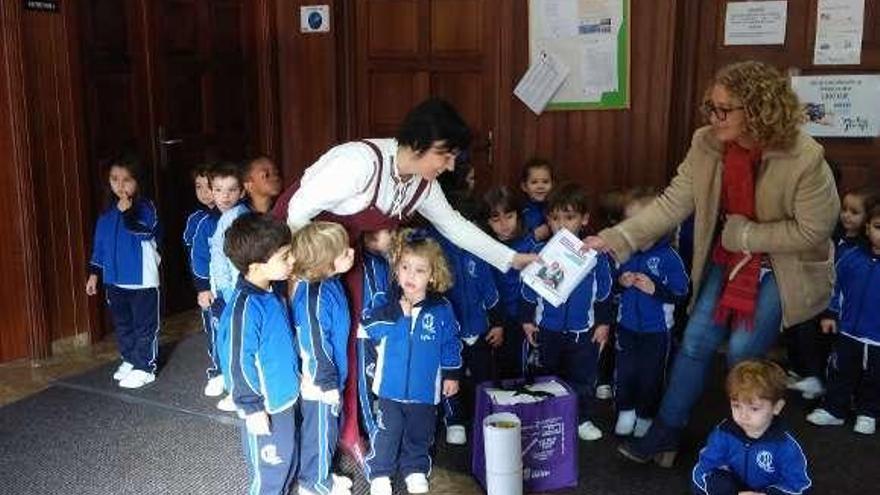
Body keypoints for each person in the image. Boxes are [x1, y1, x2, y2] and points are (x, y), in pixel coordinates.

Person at [584, 60, 840, 465]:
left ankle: (750, 443)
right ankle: (666, 431)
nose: (714, 117)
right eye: (711, 107)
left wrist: (746, 235)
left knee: (742, 348)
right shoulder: (707, 143)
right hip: (733, 255)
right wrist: (615, 238)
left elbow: (815, 229)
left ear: (757, 110)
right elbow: (672, 203)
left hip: (785, 265)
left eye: (725, 109)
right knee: (697, 339)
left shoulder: (804, 156)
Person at [273, 98, 535, 457]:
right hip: (301, 251)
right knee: (317, 344)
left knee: (357, 337)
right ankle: (314, 433)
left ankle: (354, 425)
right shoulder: (358, 163)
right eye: (445, 155)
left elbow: (454, 227)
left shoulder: (422, 183)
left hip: (346, 257)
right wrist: (295, 274)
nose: (450, 164)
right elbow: (298, 212)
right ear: (418, 145)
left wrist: (514, 258)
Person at [362, 229, 461, 495]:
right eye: (404, 267)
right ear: (396, 270)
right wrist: (395, 312)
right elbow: (368, 327)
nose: (410, 275)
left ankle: (415, 469)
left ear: (433, 275)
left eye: (419, 270)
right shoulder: (386, 303)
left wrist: (452, 374)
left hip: (424, 390)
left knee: (420, 434)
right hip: (389, 389)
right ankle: (380, 473)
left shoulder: (441, 309)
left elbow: (450, 342)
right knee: (387, 433)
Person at [522, 183, 614, 441]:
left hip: (582, 332)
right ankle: (545, 417)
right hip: (547, 330)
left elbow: (604, 293)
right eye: (555, 218)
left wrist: (603, 323)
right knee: (545, 375)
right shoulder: (540, 253)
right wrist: (527, 321)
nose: (561, 224)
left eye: (569, 217)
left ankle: (581, 418)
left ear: (584, 219)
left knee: (582, 378)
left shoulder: (595, 257)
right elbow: (529, 291)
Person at [220, 213, 299, 495]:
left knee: (288, 465)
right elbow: (236, 363)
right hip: (263, 405)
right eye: (284, 256)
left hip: (285, 398)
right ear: (256, 266)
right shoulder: (244, 310)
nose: (292, 261)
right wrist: (251, 407)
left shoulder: (272, 293)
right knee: (269, 477)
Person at [786, 186, 878, 400]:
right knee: (799, 325)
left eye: (854, 212)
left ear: (867, 220)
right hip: (819, 295)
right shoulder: (834, 234)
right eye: (844, 209)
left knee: (826, 338)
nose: (846, 215)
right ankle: (808, 373)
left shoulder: (861, 249)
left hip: (844, 306)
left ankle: (822, 380)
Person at [613, 190, 689, 438]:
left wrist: (655, 289)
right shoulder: (625, 252)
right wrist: (621, 282)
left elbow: (682, 293)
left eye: (641, 224)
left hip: (656, 331)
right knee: (625, 371)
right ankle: (626, 410)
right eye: (630, 223)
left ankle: (645, 415)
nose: (635, 230)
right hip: (626, 327)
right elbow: (610, 287)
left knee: (651, 375)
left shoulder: (669, 257)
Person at [429, 192, 503, 446]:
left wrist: (497, 324)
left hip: (480, 329)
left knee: (484, 375)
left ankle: (485, 416)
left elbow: (491, 291)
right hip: (450, 333)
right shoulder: (435, 247)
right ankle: (455, 420)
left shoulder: (480, 250)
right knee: (452, 378)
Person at [289, 222, 356, 495]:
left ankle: (322, 473)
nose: (351, 252)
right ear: (324, 262)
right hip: (319, 381)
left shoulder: (329, 283)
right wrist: (327, 383)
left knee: (328, 430)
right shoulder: (314, 298)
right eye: (343, 252)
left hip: (330, 375)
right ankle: (313, 483)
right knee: (319, 432)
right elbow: (314, 343)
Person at [211, 157, 282, 410]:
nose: (274, 176)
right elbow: (220, 256)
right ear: (248, 185)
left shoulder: (280, 211)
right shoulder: (236, 217)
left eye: (275, 171)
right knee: (242, 341)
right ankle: (239, 391)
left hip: (270, 291)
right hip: (238, 290)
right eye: (266, 174)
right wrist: (224, 292)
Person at [85, 153, 161, 389]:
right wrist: (94, 274)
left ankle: (145, 366)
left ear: (138, 181)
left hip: (142, 280)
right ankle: (130, 359)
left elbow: (146, 232)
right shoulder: (106, 214)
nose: (120, 185)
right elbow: (100, 246)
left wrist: (128, 212)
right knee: (123, 323)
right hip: (113, 280)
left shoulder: (146, 207)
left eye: (126, 179)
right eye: (114, 179)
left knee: (144, 325)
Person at [806, 202, 880, 435]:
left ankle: (868, 413)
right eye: (879, 226)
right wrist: (830, 314)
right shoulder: (850, 257)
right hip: (848, 331)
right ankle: (834, 410)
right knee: (840, 370)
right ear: (867, 228)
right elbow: (835, 288)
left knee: (875, 377)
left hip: (877, 339)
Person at [692, 360, 811, 495]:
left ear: (777, 407)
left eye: (754, 408)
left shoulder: (786, 446)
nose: (743, 415)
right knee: (717, 481)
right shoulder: (723, 433)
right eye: (736, 406)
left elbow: (800, 487)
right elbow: (702, 471)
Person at [191, 162, 241, 398]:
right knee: (216, 331)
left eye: (232, 190)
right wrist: (202, 288)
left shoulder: (243, 217)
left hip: (237, 287)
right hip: (214, 289)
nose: (225, 196)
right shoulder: (206, 223)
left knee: (237, 332)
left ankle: (236, 378)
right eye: (219, 190)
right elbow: (199, 258)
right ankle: (218, 372)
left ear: (242, 191)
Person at [483, 186, 541, 378]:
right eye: (496, 219)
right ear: (487, 221)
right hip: (494, 318)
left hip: (523, 317)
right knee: (496, 368)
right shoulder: (484, 248)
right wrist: (496, 322)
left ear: (518, 215)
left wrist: (528, 317)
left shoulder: (529, 245)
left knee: (521, 368)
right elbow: (486, 288)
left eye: (509, 216)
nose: (504, 224)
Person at [357, 228, 395, 440]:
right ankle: (373, 432)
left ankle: (381, 428)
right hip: (367, 336)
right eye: (390, 231)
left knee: (380, 382)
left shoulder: (382, 261)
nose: (395, 235)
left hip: (383, 333)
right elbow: (371, 309)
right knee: (367, 385)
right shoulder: (367, 264)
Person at [520, 157, 555, 241]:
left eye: (545, 182)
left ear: (553, 184)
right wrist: (534, 236)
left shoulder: (557, 208)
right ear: (524, 187)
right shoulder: (521, 212)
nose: (540, 186)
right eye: (534, 182)